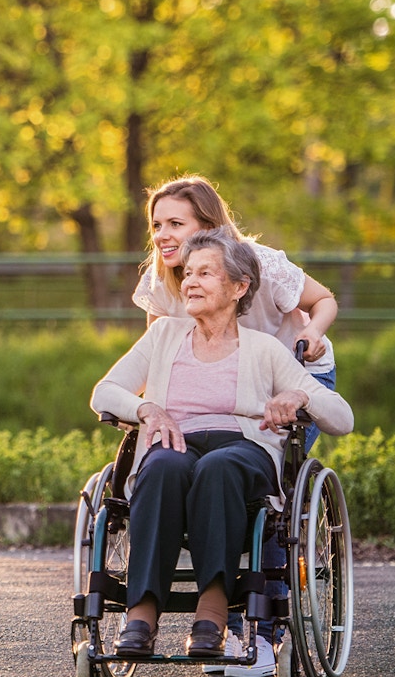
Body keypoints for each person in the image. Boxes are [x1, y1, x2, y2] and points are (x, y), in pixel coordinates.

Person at [90, 229, 354, 661]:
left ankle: (211, 613)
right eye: (188, 273)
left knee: (219, 467)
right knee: (161, 466)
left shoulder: (265, 349)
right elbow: (104, 392)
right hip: (176, 442)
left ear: (239, 287)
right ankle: (141, 613)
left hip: (243, 448)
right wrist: (146, 408)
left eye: (205, 274)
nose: (190, 282)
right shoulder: (163, 335)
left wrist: (300, 396)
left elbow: (342, 417)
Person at [133, 174, 340, 675]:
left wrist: (312, 333)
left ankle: (263, 632)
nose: (162, 235)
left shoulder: (259, 262)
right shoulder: (162, 279)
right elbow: (159, 361)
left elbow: (324, 300)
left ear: (208, 223)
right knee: (180, 468)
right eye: (156, 225)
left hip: (291, 375)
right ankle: (196, 619)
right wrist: (152, 413)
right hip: (215, 393)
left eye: (175, 223)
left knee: (264, 498)